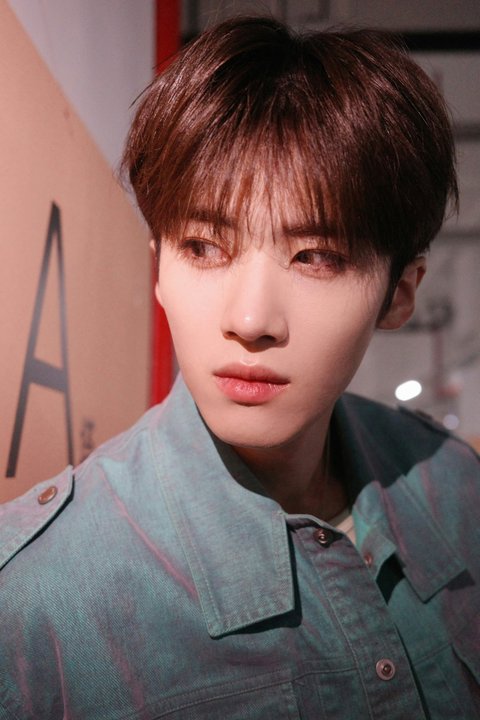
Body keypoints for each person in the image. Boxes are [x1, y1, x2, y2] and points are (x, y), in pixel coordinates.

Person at [1, 15, 479, 720]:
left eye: (316, 256)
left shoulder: (456, 487)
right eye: (203, 246)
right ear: (159, 268)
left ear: (400, 292)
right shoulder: (34, 598)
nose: (251, 320)